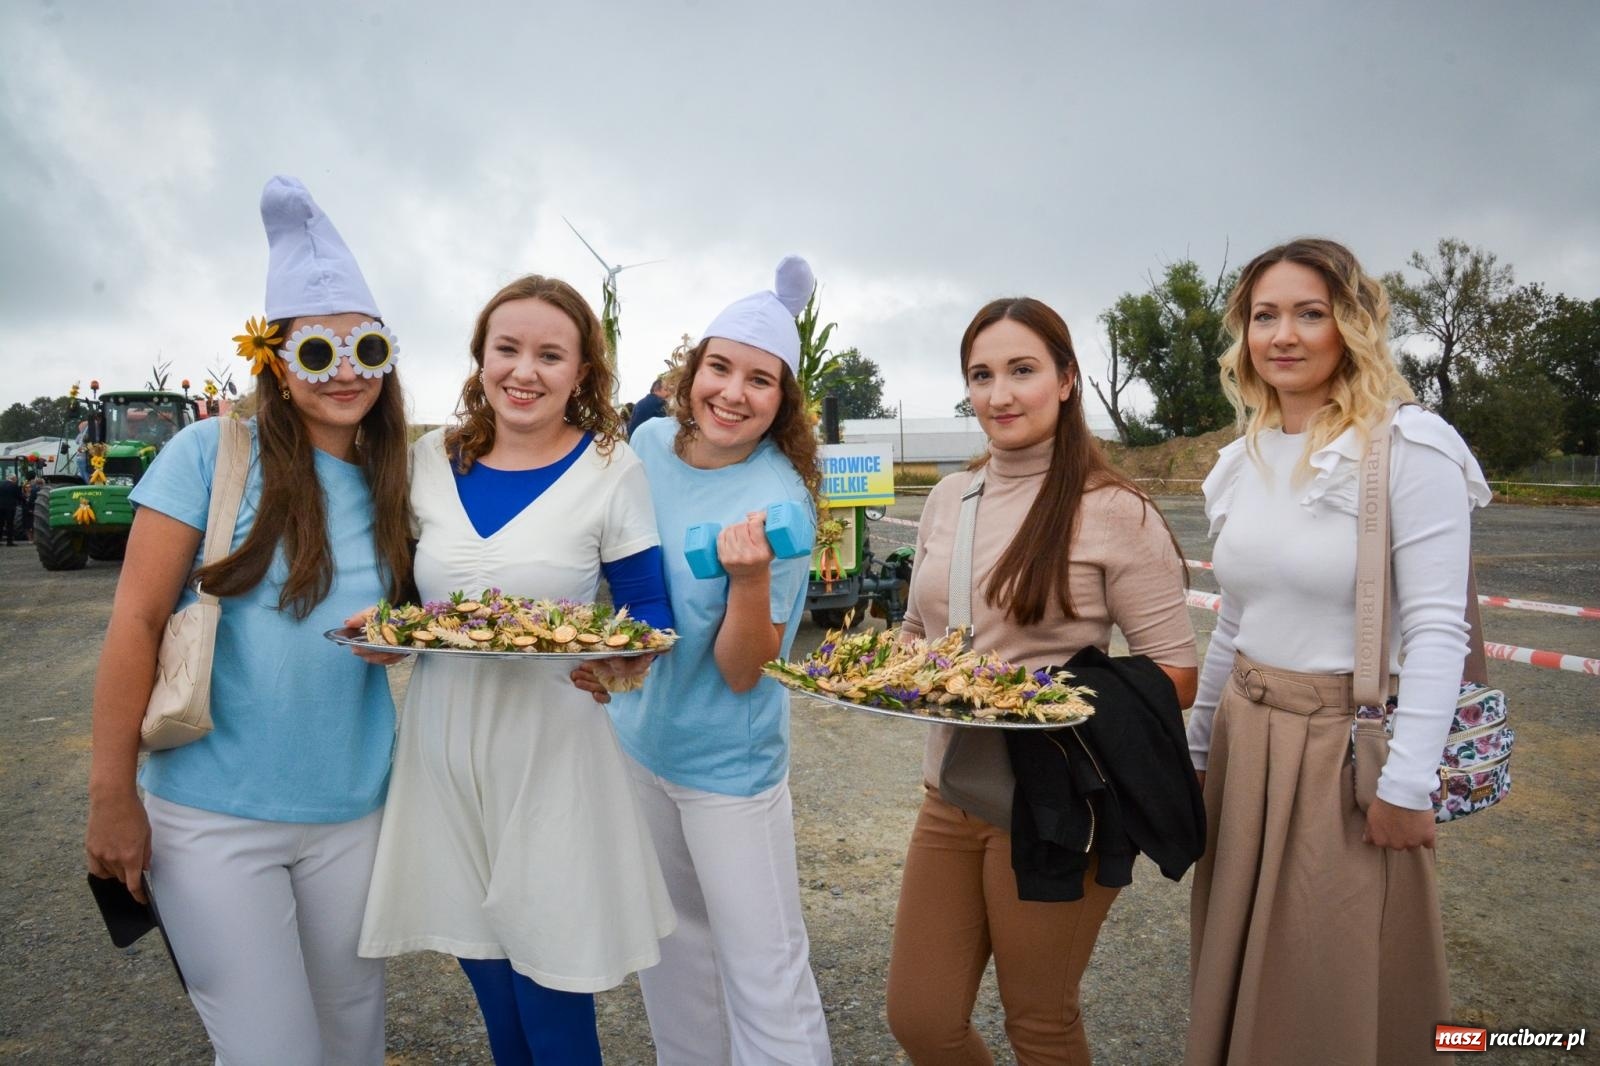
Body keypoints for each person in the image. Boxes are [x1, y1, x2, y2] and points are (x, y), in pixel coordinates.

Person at [83, 176, 412, 1065]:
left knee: (354, 1042)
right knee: (273, 1052)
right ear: (273, 359)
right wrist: (113, 798)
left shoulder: (400, 482)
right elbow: (136, 623)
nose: (345, 370)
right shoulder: (208, 453)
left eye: (366, 347)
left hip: (355, 816)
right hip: (211, 818)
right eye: (316, 352)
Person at [357, 274, 676, 1066]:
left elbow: (649, 613)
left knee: (554, 989)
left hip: (552, 751)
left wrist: (621, 664)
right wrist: (383, 634)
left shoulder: (611, 465)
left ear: (581, 372)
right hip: (444, 749)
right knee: (493, 988)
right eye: (508, 349)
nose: (524, 371)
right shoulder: (429, 459)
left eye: (549, 354)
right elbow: (403, 600)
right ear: (481, 358)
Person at [1185, 238, 1490, 1065]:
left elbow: (1436, 629)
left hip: (1343, 751)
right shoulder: (1242, 460)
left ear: (1350, 326)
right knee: (1240, 962)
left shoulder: (1409, 448)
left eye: (1309, 313)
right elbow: (1237, 617)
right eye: (1264, 316)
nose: (1283, 334)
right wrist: (1201, 746)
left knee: (1329, 979)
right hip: (1249, 744)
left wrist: (1406, 782)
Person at [884, 297, 1199, 1066]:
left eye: (1022, 370)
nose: (1000, 394)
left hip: (1059, 801)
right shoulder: (946, 499)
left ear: (1065, 380)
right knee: (920, 1020)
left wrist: (1034, 700)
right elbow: (919, 633)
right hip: (952, 792)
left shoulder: (1115, 510)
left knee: (1041, 1022)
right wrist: (889, 672)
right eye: (981, 376)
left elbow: (1176, 676)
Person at [578, 256, 833, 1065]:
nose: (732, 392)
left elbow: (741, 672)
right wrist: (602, 656)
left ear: (782, 401)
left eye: (760, 380)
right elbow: (617, 569)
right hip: (641, 742)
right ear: (691, 374)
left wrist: (751, 578)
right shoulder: (648, 444)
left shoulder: (780, 502)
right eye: (719, 367)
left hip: (729, 766)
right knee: (674, 951)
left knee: (763, 970)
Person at [0, 474, 20, 545]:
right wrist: (25, 502)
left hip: (0, 507)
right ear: (13, 479)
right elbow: (19, 496)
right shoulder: (14, 486)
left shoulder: (1, 485)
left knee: (1, 524)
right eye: (16, 479)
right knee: (10, 524)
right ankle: (9, 541)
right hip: (10, 508)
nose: (16, 480)